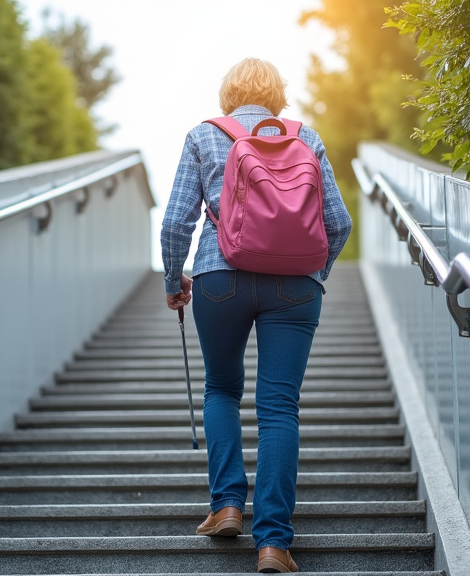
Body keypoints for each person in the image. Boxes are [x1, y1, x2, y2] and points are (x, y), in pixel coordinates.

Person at [160, 57, 352, 574]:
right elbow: (338, 221)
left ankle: (225, 506)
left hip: (219, 279)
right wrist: (317, 271)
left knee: (222, 389)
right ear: (277, 96)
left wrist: (172, 278)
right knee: (279, 407)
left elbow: (176, 221)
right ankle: (273, 543)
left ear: (229, 95)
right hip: (295, 288)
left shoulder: (204, 136)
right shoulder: (304, 139)